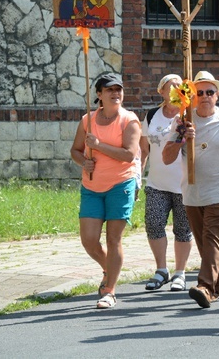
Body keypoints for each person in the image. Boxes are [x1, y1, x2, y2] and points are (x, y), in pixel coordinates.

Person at [163, 71, 219, 308]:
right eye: (200, 92)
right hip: (192, 192)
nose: (205, 96)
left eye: (210, 92)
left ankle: (205, 287)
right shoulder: (184, 120)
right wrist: (181, 138)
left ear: (217, 95)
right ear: (192, 96)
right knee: (205, 244)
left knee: (212, 238)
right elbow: (166, 157)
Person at [70, 73, 141, 309]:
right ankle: (108, 268)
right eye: (110, 90)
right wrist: (83, 161)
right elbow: (75, 151)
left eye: (119, 89)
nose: (116, 94)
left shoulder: (129, 121)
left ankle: (109, 291)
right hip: (91, 186)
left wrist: (100, 146)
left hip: (120, 185)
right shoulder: (87, 121)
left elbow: (129, 155)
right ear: (99, 95)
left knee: (113, 238)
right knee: (89, 241)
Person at [140, 74, 192, 292]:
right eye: (170, 86)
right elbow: (144, 150)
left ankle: (180, 272)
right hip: (157, 183)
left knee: (182, 229)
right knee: (153, 224)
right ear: (161, 91)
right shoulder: (152, 115)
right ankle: (162, 269)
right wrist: (138, 176)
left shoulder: (188, 115)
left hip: (183, 184)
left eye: (179, 86)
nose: (175, 89)